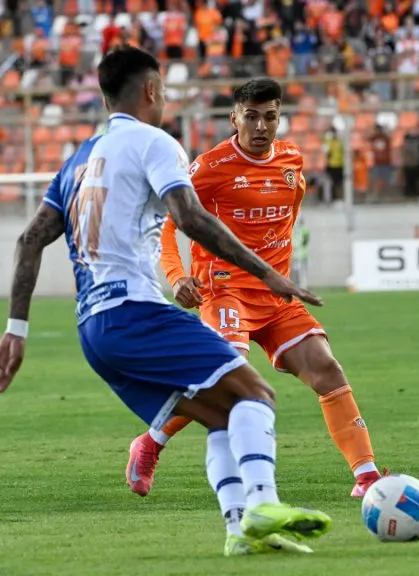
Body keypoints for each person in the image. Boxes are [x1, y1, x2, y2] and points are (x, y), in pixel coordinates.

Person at [0, 48, 332, 556]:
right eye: (165, 90)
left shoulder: (79, 158)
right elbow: (192, 218)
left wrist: (16, 331)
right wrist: (270, 275)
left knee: (223, 415)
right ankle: (265, 501)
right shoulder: (156, 143)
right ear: (152, 90)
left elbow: (28, 241)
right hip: (135, 311)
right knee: (257, 395)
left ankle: (239, 529)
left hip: (92, 329)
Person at [126, 78, 385, 500]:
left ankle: (368, 476)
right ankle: (151, 442)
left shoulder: (292, 159)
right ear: (234, 118)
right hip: (225, 291)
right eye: (251, 117)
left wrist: (276, 264)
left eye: (270, 117)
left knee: (327, 370)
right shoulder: (209, 168)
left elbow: (289, 208)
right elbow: (168, 225)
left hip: (274, 296)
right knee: (227, 379)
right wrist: (177, 277)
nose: (262, 126)